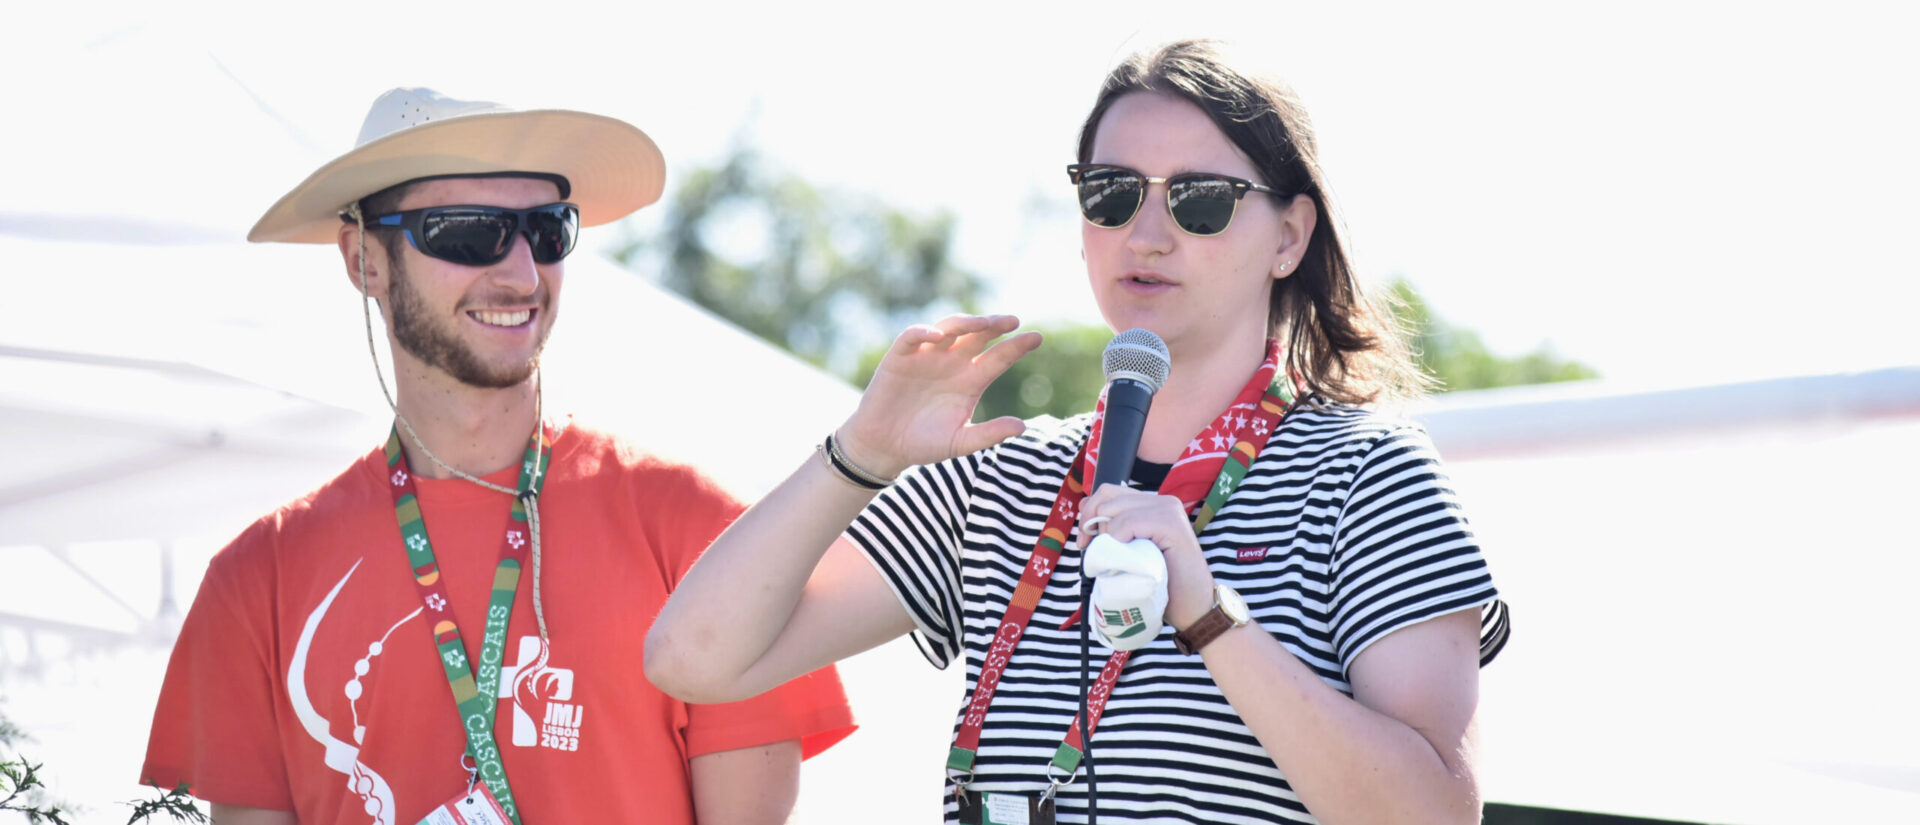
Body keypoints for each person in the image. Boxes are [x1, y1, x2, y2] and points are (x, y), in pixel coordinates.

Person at [646, 40, 1510, 825]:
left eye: (1201, 201)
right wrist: (859, 456)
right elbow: (694, 659)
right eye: (1113, 192)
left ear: (1289, 235)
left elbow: (1437, 815)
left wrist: (1208, 618)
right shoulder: (1001, 476)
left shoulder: (1369, 473)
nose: (1145, 232)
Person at [140, 88, 854, 825]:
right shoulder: (258, 579)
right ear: (364, 259)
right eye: (467, 233)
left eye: (547, 231)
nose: (520, 273)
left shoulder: (705, 531)